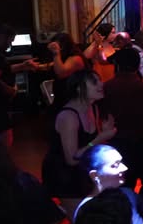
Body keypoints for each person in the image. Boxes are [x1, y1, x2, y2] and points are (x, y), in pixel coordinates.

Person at [41, 69, 116, 216]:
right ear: (79, 88)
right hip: (64, 174)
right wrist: (99, 138)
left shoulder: (93, 108)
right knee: (81, 219)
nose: (101, 84)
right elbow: (72, 159)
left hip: (83, 172)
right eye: (94, 82)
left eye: (100, 80)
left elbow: (91, 146)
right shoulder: (68, 116)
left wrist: (104, 134)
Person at [101, 46, 143, 202]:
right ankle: (141, 207)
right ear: (137, 66)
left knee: (123, 185)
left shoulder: (106, 88)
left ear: (117, 65)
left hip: (116, 143)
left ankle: (127, 210)